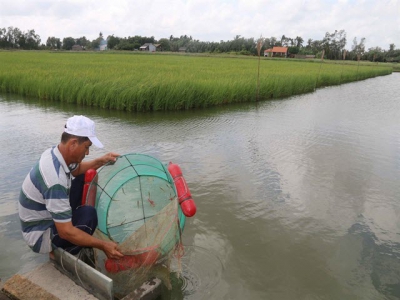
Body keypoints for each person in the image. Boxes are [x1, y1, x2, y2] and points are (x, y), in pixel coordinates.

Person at [18, 115, 124, 260]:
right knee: (88, 215)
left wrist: (101, 160)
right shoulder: (54, 179)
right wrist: (103, 245)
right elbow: (66, 232)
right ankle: (61, 251)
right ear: (73, 143)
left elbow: (76, 170)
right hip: (40, 233)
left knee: (80, 176)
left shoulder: (55, 153)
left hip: (46, 215)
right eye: (86, 147)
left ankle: (67, 220)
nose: (87, 153)